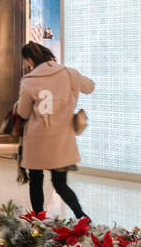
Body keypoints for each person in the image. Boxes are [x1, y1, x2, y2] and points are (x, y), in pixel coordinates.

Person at [15, 42, 92, 220]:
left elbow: (23, 112)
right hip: (62, 139)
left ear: (29, 60)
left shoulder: (29, 80)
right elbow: (90, 87)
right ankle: (82, 216)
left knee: (35, 181)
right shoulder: (69, 73)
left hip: (37, 138)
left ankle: (38, 219)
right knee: (60, 183)